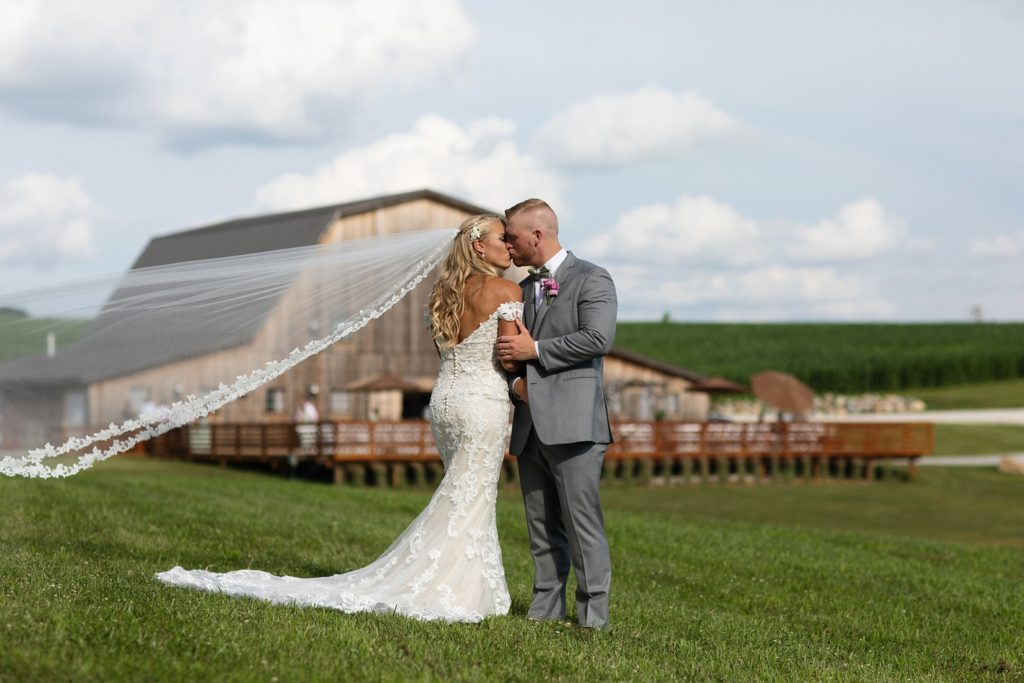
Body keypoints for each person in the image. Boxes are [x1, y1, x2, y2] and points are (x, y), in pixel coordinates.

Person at [155, 214, 522, 623]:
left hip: (446, 402)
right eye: (503, 239)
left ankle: (471, 582)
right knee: (472, 493)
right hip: (482, 402)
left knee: (463, 491)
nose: (510, 246)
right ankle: (451, 587)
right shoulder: (506, 291)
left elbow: (447, 355)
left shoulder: (443, 294)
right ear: (478, 246)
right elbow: (508, 355)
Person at [496, 198, 617, 630]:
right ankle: (544, 614)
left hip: (575, 425)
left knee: (582, 526)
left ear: (537, 236)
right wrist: (515, 384)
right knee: (541, 530)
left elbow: (598, 338)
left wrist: (537, 350)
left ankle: (593, 619)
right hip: (530, 428)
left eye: (511, 236)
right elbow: (509, 358)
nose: (508, 245)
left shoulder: (592, 278)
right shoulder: (522, 289)